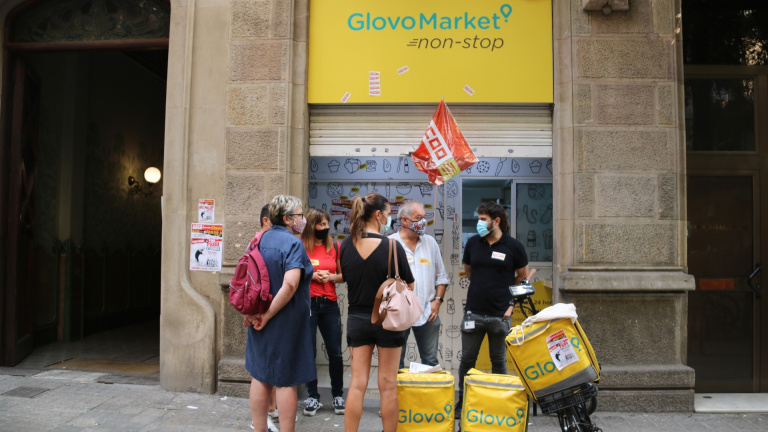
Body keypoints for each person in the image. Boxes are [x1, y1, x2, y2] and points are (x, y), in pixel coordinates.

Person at [340, 193, 415, 432]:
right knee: (388, 385)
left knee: (357, 384)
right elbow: (410, 286)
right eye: (389, 213)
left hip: (357, 320)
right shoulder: (392, 246)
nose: (390, 218)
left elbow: (346, 276)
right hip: (388, 320)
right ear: (377, 215)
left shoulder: (346, 245)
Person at [244, 195, 315, 432]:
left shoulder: (257, 240)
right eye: (300, 215)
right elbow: (291, 284)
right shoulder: (293, 244)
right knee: (286, 380)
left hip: (258, 320)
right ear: (287, 219)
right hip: (286, 321)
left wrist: (253, 313)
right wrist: (268, 315)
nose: (303, 219)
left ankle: (259, 429)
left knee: (260, 375)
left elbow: (246, 280)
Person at [455, 202, 529, 419]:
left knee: (498, 360)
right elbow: (468, 270)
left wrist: (508, 301)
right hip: (474, 312)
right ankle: (463, 401)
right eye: (478, 218)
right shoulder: (472, 243)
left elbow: (522, 275)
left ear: (496, 221)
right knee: (467, 360)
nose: (479, 223)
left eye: (483, 219)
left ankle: (499, 401)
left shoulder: (514, 246)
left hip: (500, 314)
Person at [389, 200, 449, 369]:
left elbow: (442, 277)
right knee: (396, 363)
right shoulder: (390, 243)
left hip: (428, 312)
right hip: (398, 313)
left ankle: (427, 389)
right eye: (418, 218)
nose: (423, 222)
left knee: (430, 362)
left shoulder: (430, 242)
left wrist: (437, 301)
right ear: (404, 220)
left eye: (424, 217)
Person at [300, 207, 346, 416]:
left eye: (327, 224)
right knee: (309, 351)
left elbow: (343, 275)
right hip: (308, 304)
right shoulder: (300, 246)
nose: (326, 227)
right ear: (312, 226)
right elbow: (293, 273)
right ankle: (313, 396)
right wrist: (311, 276)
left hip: (330, 304)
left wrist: (331, 277)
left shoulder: (335, 245)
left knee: (335, 351)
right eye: (322, 224)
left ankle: (338, 395)